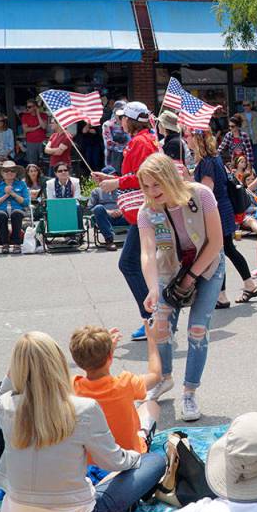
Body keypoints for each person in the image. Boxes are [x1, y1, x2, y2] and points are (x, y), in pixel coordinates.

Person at [0, 332, 166, 512]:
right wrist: (137, 456)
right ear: (59, 362)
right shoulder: (82, 408)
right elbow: (113, 461)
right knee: (154, 461)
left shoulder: (4, 406)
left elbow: (5, 390)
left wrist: (22, 361)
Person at [138, 153, 226, 421]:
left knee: (198, 329)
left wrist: (191, 277)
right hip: (169, 269)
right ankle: (164, 378)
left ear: (169, 178)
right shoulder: (146, 212)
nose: (153, 192)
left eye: (157, 184)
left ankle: (190, 392)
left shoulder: (201, 195)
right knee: (160, 325)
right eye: (146, 186)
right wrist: (152, 289)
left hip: (208, 265)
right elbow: (147, 252)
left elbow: (216, 242)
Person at [92, 101, 160, 341]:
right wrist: (113, 179)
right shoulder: (145, 139)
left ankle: (153, 317)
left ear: (129, 120)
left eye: (122, 117)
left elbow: (145, 177)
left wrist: (116, 182)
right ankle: (155, 315)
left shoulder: (140, 142)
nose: (119, 120)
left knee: (129, 264)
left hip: (145, 210)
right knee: (139, 264)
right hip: (146, 209)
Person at [189, 130, 257, 307]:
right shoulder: (215, 158)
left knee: (218, 252)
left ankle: (222, 295)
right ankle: (248, 285)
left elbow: (206, 190)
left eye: (188, 136)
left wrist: (188, 183)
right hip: (223, 208)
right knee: (227, 248)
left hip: (216, 211)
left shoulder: (206, 162)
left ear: (197, 140)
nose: (186, 139)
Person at [69, 323, 161, 452]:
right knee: (151, 405)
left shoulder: (72, 386)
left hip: (91, 459)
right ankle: (145, 438)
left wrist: (104, 349)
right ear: (110, 356)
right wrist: (152, 339)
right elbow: (155, 375)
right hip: (128, 454)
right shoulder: (126, 383)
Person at [0, 160, 30, 254]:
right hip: (1, 209)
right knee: (0, 215)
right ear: (1, 173)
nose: (9, 172)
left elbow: (26, 202)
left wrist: (12, 193)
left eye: (12, 170)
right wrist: (6, 194)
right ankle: (4, 243)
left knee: (17, 213)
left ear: (16, 173)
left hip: (17, 208)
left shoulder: (22, 184)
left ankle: (16, 243)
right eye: (6, 171)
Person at [89, 166, 125, 251]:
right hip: (106, 218)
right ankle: (109, 241)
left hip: (122, 216)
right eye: (109, 176)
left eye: (113, 176)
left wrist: (121, 211)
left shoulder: (122, 189)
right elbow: (90, 207)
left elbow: (128, 202)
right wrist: (108, 212)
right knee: (98, 208)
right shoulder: (96, 191)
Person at [102, 100, 130, 172]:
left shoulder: (128, 124)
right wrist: (126, 147)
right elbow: (109, 144)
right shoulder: (108, 125)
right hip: (112, 160)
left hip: (127, 159)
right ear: (115, 112)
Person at [20, 98, 48, 167]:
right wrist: (37, 127)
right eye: (27, 107)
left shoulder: (43, 115)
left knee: (43, 162)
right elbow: (26, 129)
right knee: (32, 163)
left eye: (29, 107)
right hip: (31, 142)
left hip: (42, 142)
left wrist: (38, 114)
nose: (27, 109)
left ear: (35, 107)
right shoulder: (25, 116)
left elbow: (44, 126)